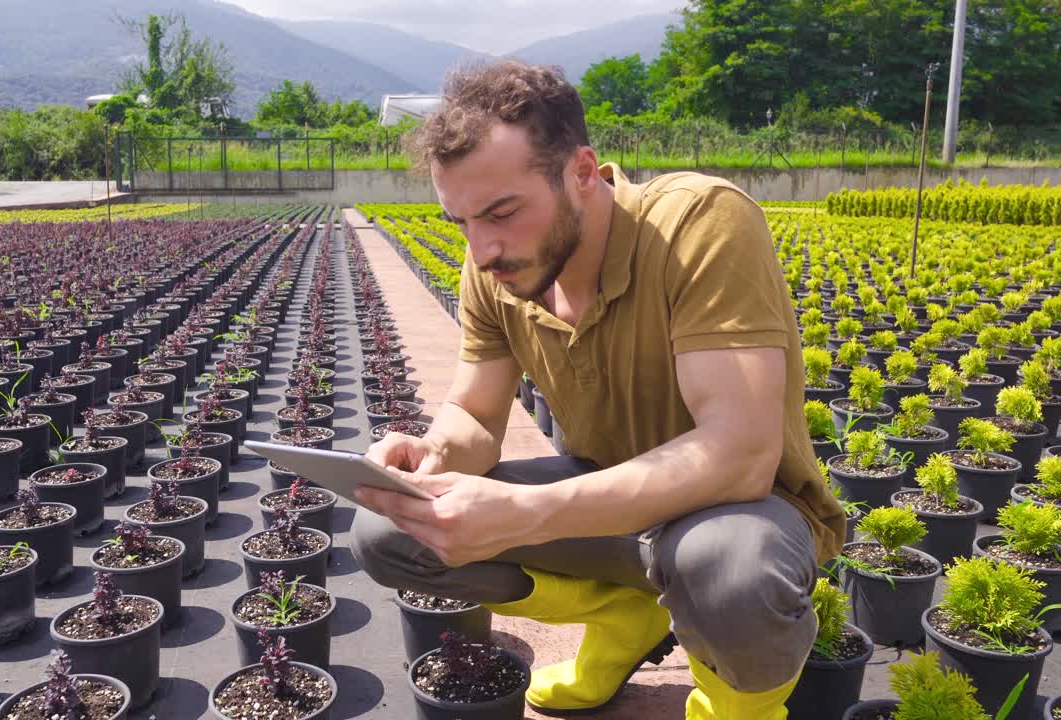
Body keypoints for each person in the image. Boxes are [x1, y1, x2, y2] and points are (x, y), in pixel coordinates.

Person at [349, 59, 845, 720]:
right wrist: (432, 458)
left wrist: (529, 512)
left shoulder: (698, 225)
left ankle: (736, 708)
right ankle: (624, 619)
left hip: (739, 511)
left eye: (501, 212)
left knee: (729, 571)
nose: (483, 248)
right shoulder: (493, 267)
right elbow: (474, 410)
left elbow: (741, 455)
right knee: (391, 532)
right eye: (460, 222)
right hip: (606, 494)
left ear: (582, 172)